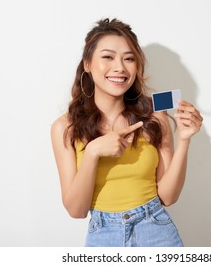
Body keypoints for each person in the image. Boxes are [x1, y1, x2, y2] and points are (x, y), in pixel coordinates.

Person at [51, 18, 203, 247]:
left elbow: (168, 197)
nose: (120, 67)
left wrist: (184, 140)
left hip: (157, 231)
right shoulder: (65, 127)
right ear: (87, 64)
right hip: (103, 236)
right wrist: (92, 152)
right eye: (108, 57)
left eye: (129, 58)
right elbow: (76, 210)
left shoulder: (155, 117)